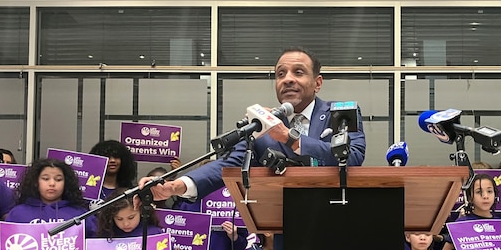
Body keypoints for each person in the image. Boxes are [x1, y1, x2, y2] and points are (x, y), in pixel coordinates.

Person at [145, 47, 366, 203]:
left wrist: (288, 137)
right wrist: (176, 186)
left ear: (317, 83)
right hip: (284, 227)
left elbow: (352, 157)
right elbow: (229, 164)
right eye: (281, 74)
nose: (288, 79)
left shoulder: (341, 113)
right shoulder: (263, 124)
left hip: (336, 216)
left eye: (298, 72)